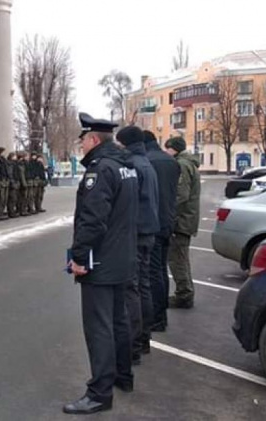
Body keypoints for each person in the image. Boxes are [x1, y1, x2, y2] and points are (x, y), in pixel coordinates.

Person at [64, 113, 139, 415]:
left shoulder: (100, 171)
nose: (81, 145)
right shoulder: (125, 167)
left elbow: (92, 221)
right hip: (122, 259)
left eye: (82, 140)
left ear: (93, 139)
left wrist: (79, 258)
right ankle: (123, 375)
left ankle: (99, 392)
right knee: (118, 321)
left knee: (99, 328)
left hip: (101, 262)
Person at [116, 126, 160, 361]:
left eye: (119, 143)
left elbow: (128, 204)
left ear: (125, 144)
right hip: (148, 232)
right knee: (143, 286)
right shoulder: (146, 163)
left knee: (131, 289)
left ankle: (133, 345)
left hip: (136, 234)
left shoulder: (133, 165)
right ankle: (143, 339)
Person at [143, 130, 179, 332]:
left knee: (152, 273)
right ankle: (161, 312)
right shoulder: (170, 161)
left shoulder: (147, 162)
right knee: (161, 270)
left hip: (152, 224)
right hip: (167, 222)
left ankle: (157, 317)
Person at [165, 137, 201, 309]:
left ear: (174, 149)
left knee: (177, 258)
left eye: (167, 148)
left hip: (181, 220)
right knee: (181, 257)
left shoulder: (182, 165)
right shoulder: (188, 163)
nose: (166, 152)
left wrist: (168, 214)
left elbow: (181, 195)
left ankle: (184, 294)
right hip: (187, 218)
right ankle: (185, 292)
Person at [0, 147, 10, 220]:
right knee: (1, 198)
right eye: (3, 152)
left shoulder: (4, 160)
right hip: (1, 180)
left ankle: (2, 212)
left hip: (5, 179)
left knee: (5, 198)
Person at [7, 152, 20, 218]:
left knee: (15, 198)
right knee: (12, 198)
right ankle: (11, 212)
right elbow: (10, 174)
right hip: (13, 182)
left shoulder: (15, 163)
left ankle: (13, 211)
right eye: (14, 156)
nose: (15, 157)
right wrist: (12, 182)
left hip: (16, 181)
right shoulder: (10, 164)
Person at [16, 152, 30, 216]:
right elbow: (22, 175)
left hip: (24, 181)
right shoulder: (21, 164)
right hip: (22, 182)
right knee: (22, 197)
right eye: (26, 156)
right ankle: (22, 210)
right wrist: (24, 183)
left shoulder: (25, 163)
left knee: (24, 197)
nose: (28, 157)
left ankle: (23, 209)